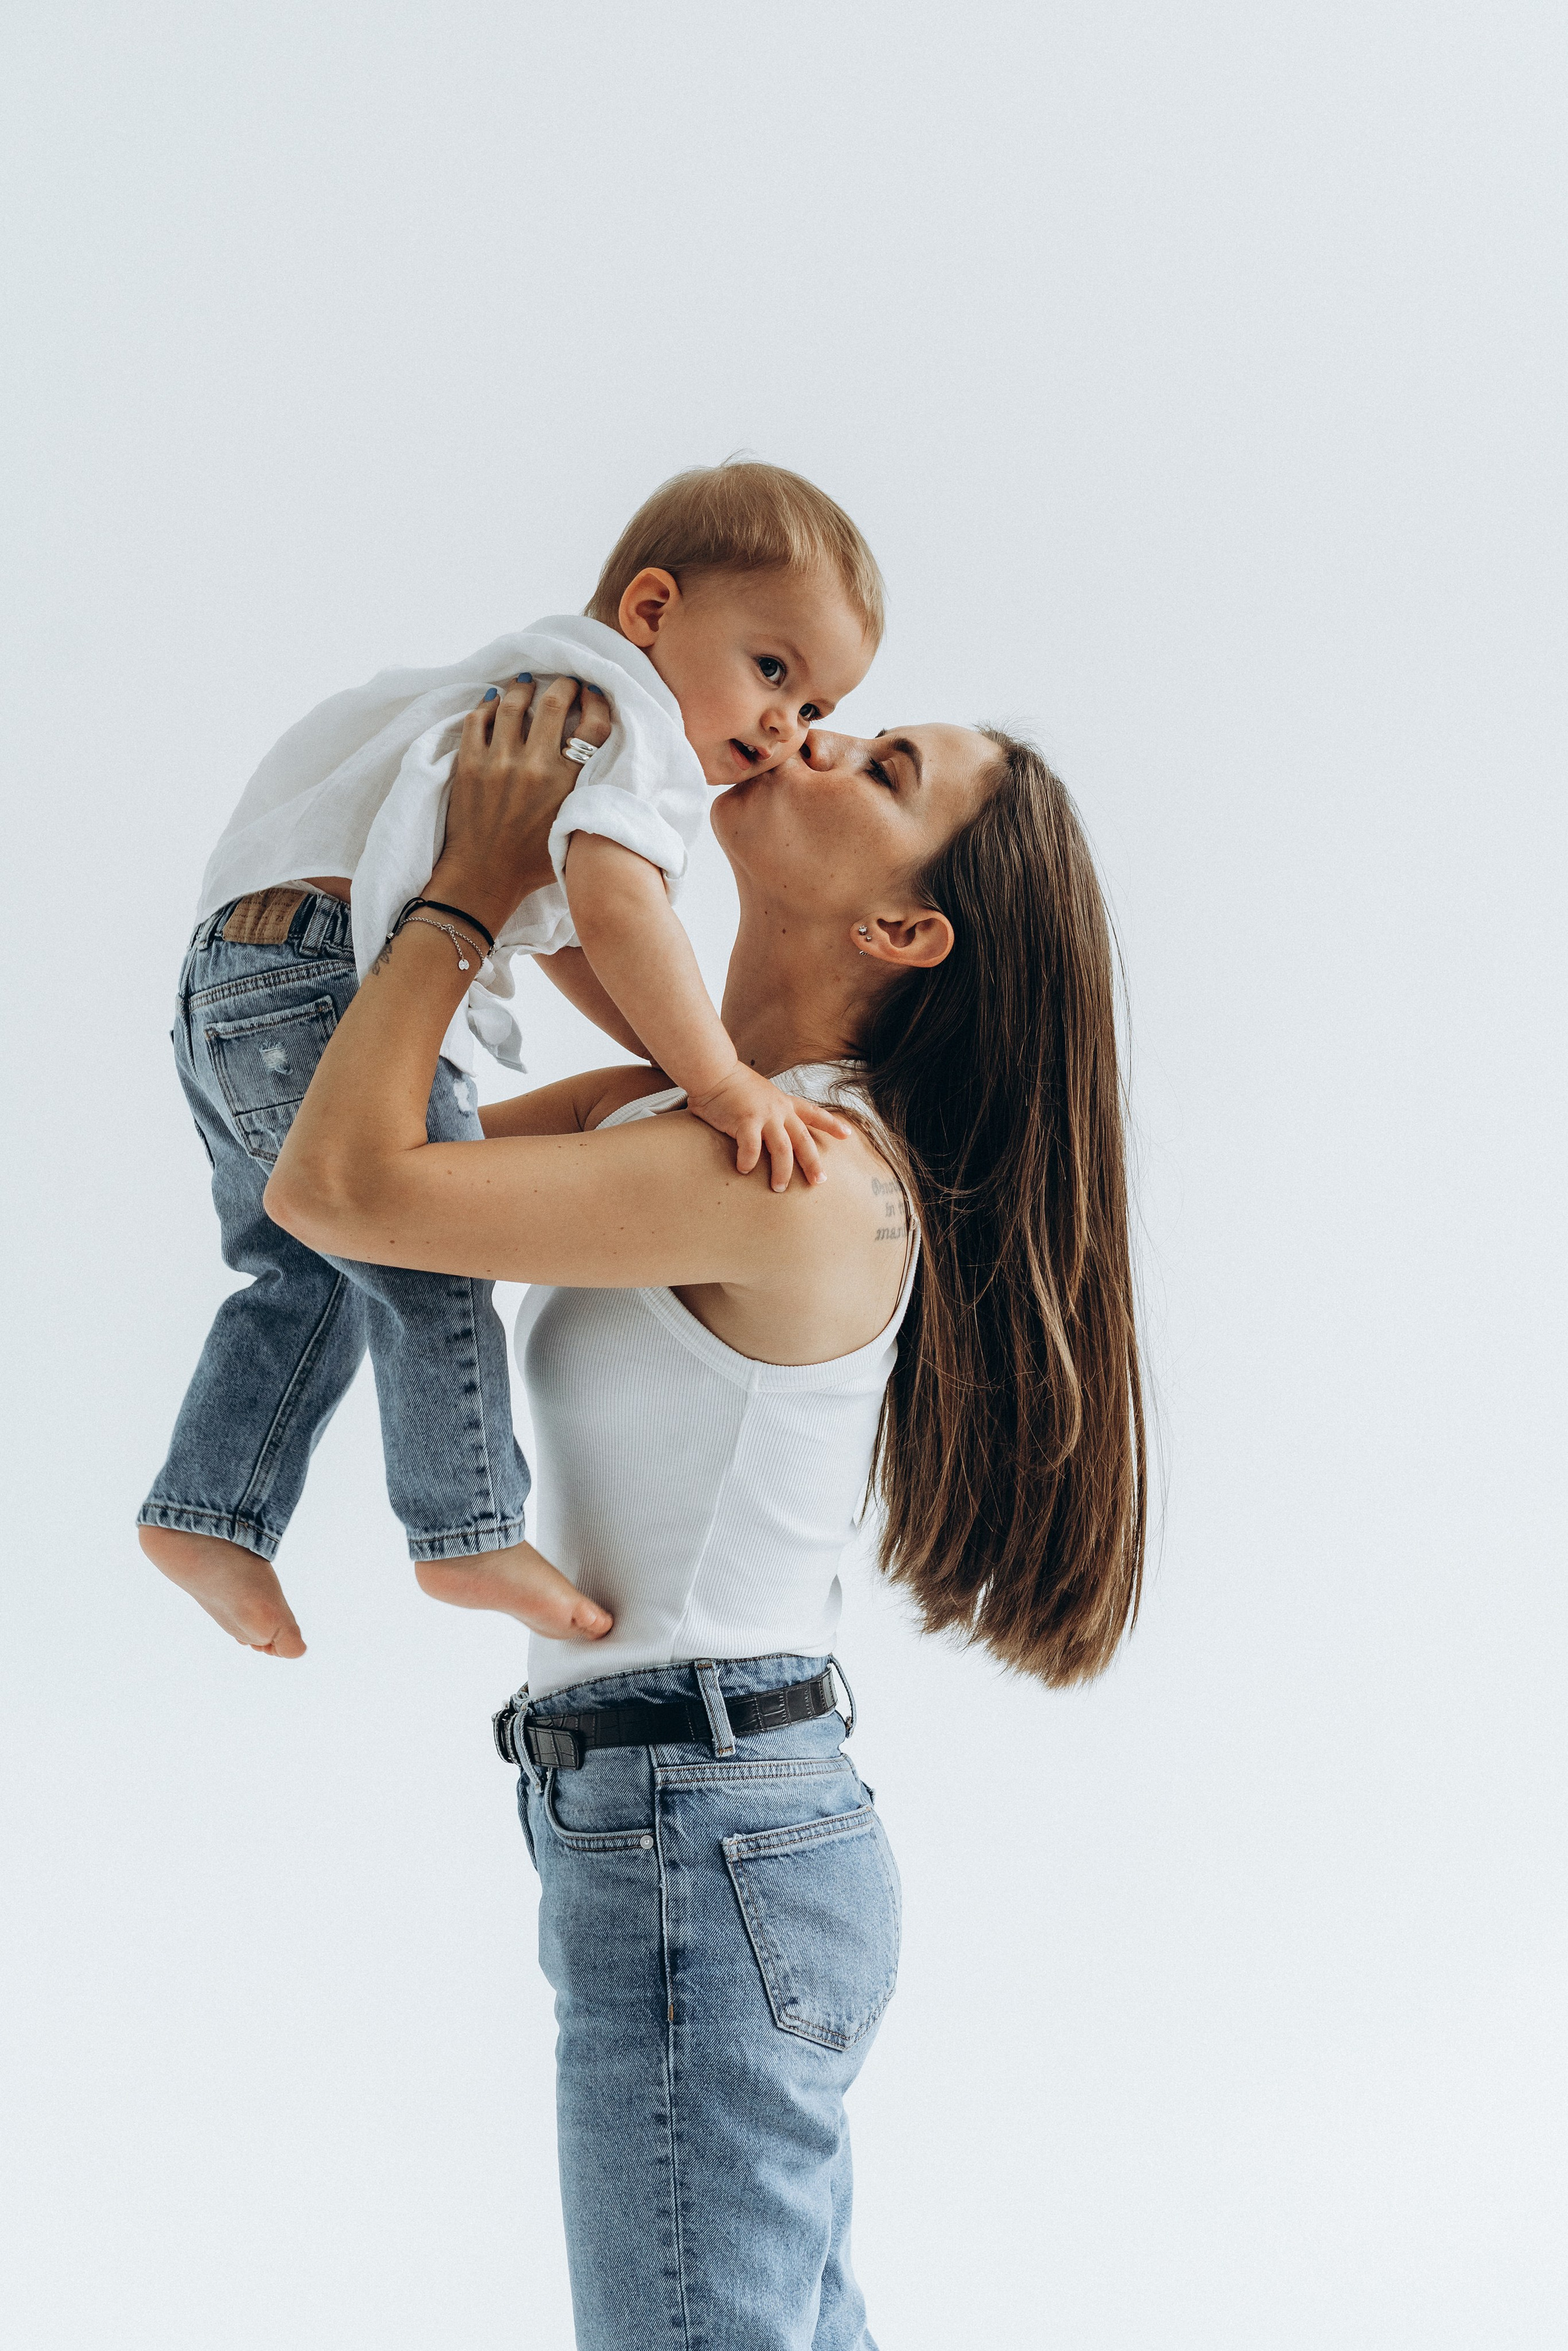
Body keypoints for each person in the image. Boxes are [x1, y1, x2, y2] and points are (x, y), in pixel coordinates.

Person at [261, 669, 1147, 2350]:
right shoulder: (687, 1118)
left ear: (907, 927)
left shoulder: (790, 1174)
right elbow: (336, 1191)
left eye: (879, 766)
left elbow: (344, 1185)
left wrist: (471, 884)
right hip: (704, 1816)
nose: (814, 733)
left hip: (699, 1821)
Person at [137, 464, 875, 1655]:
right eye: (773, 669)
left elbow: (576, 926)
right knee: (425, 1249)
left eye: (817, 705)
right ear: (650, 611)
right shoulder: (619, 717)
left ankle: (210, 1507)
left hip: (236, 972)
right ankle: (467, 1526)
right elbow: (621, 910)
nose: (787, 726)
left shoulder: (541, 691)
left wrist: (686, 1059)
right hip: (337, 973)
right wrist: (724, 1081)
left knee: (301, 1267)